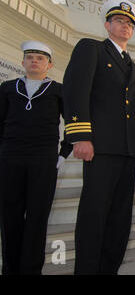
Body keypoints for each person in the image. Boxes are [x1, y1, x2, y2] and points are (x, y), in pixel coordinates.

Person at [62, 0, 135, 275]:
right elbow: (75, 91)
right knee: (94, 216)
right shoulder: (91, 49)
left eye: (129, 23)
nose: (125, 26)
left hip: (127, 149)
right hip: (100, 147)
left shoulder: (133, 65)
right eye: (119, 21)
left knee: (120, 219)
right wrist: (80, 136)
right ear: (107, 24)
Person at [0, 41, 72, 275]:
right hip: (10, 157)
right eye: (30, 57)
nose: (34, 61)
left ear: (49, 64)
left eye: (40, 58)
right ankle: (10, 269)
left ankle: (31, 270)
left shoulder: (58, 90)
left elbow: (72, 123)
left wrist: (63, 154)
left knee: (37, 216)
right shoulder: (8, 87)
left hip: (43, 159)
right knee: (9, 215)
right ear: (23, 62)